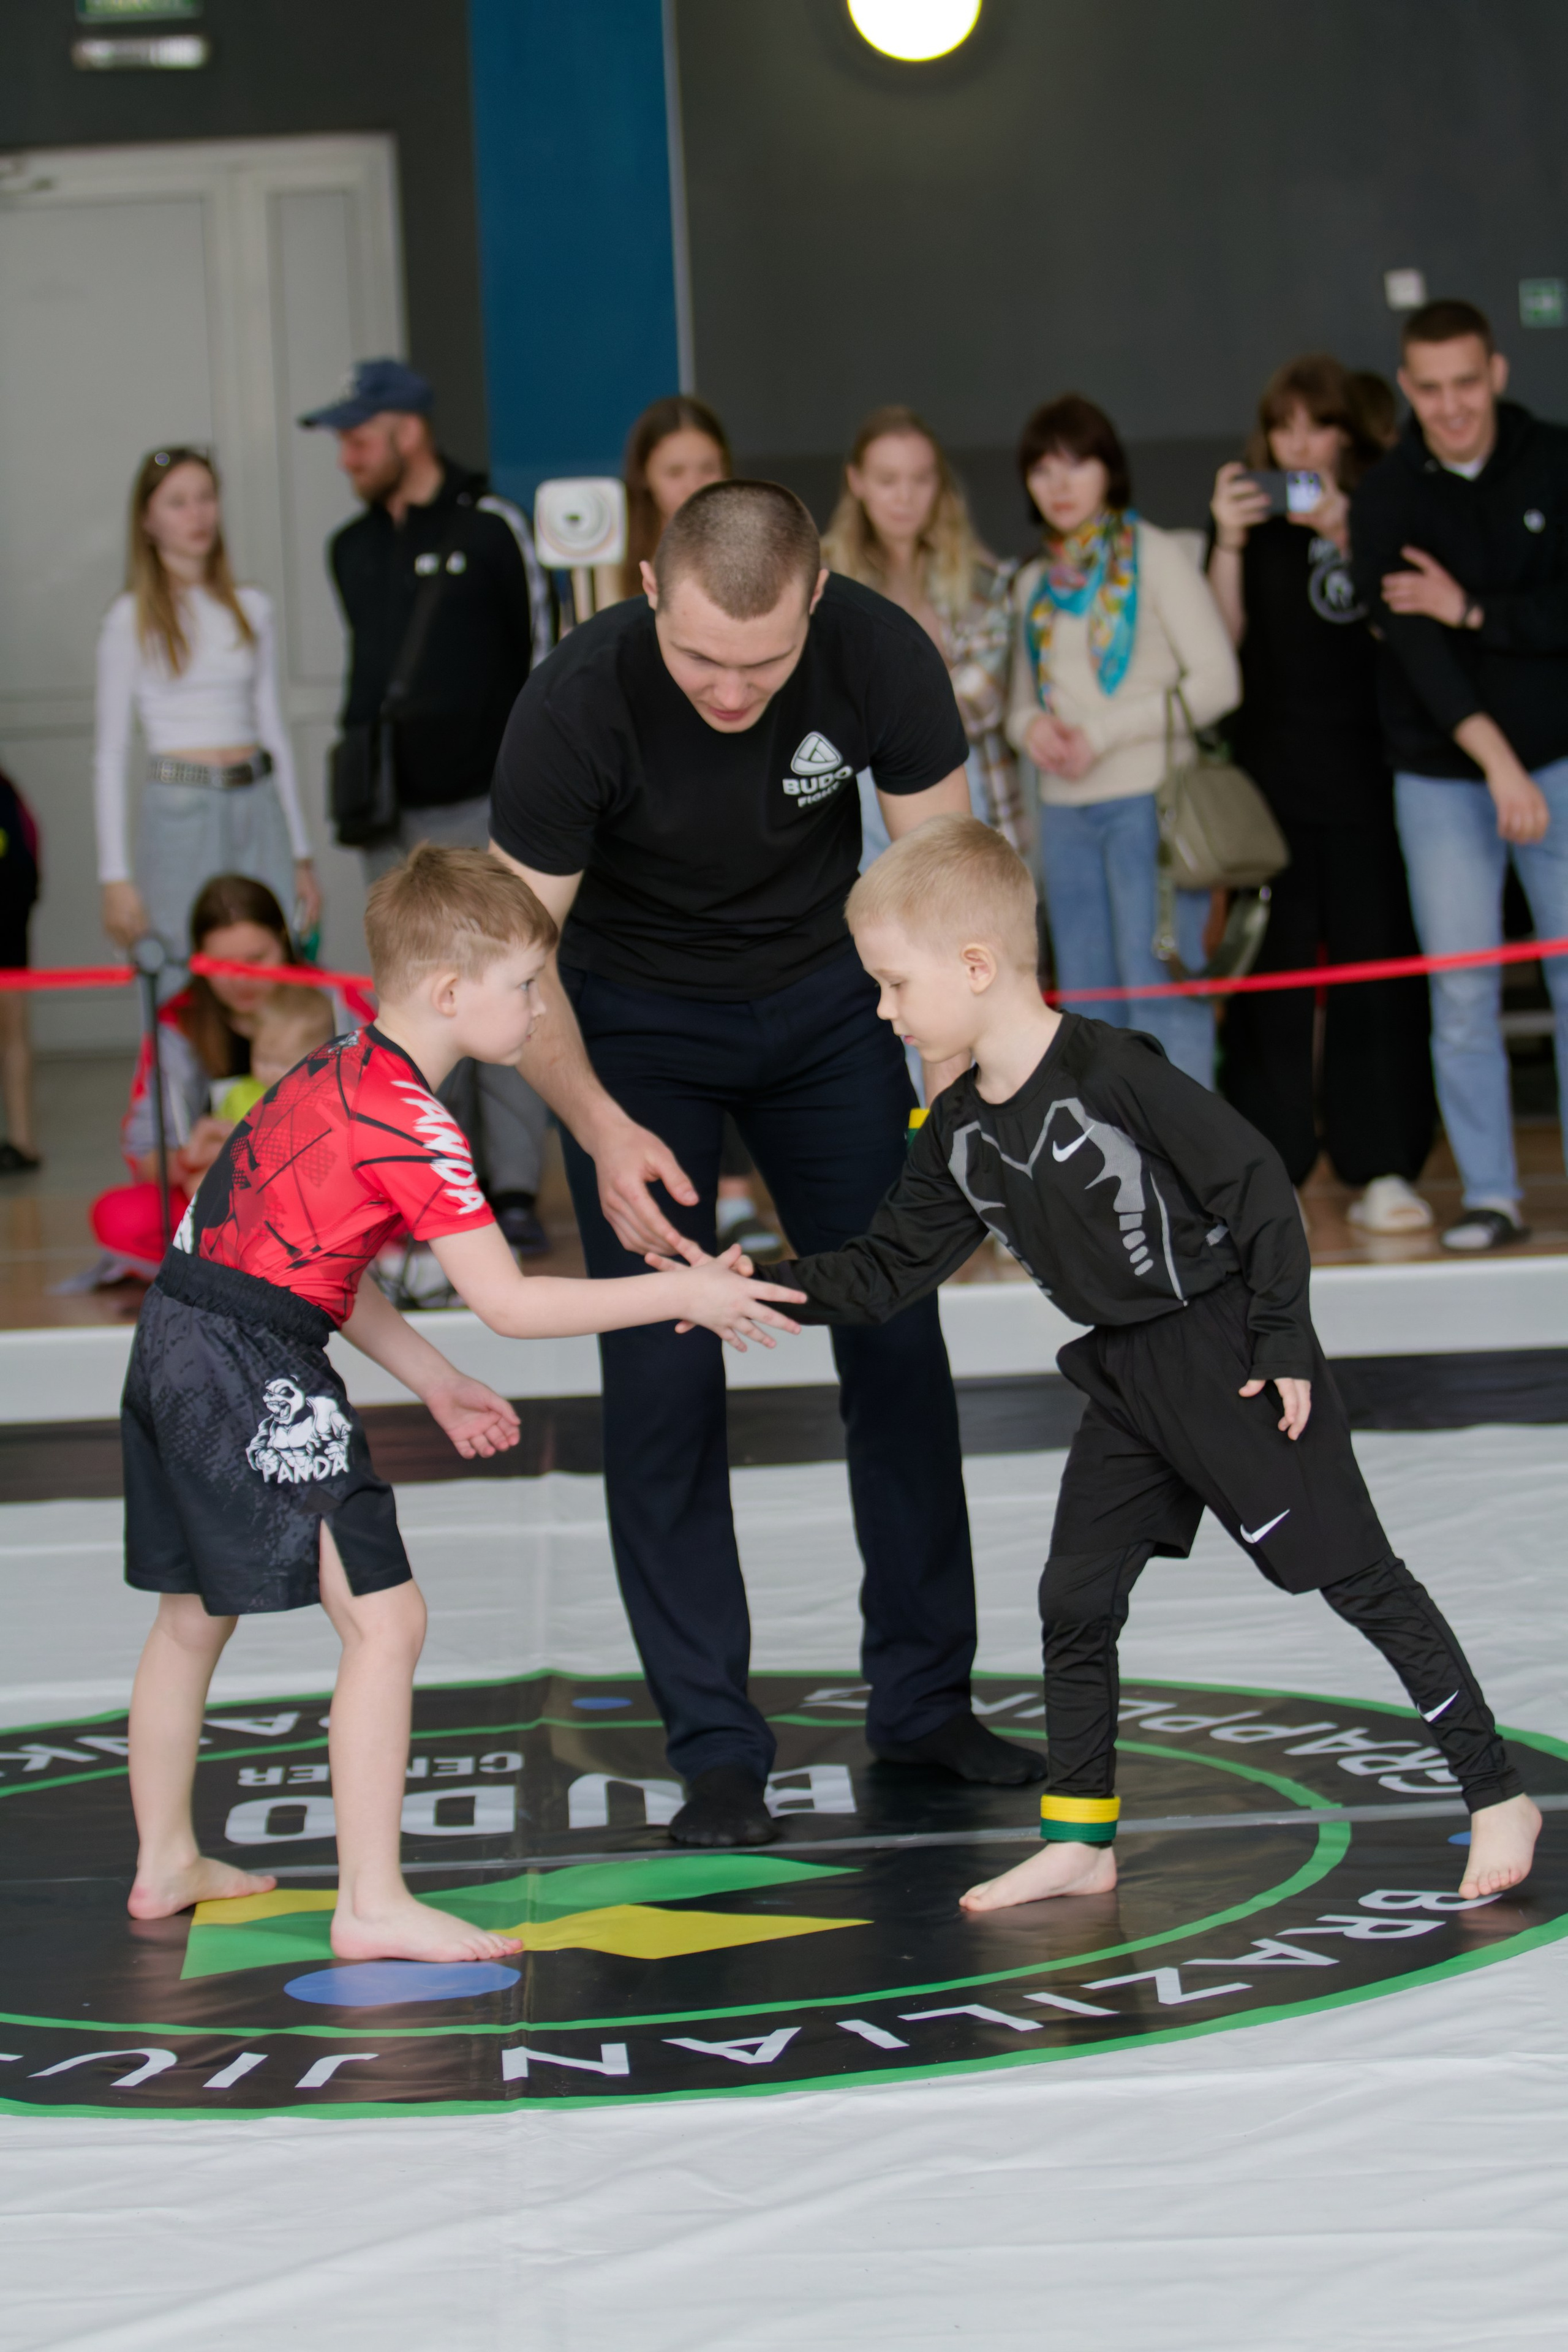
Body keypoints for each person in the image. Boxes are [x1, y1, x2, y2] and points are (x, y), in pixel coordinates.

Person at [714, 815, 1539, 1910]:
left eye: (894, 985)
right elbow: (884, 1270)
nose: (883, 1010)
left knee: (1357, 1579)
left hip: (1227, 1355)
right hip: (1126, 1380)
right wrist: (742, 1286)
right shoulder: (955, 1128)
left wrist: (1284, 1339)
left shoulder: (1114, 1071)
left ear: (975, 967)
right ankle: (1082, 1837)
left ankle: (1496, 1795)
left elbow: (1258, 1188)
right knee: (1076, 1595)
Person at [490, 479, 1044, 1849]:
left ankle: (922, 1699)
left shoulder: (878, 653)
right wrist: (600, 1122)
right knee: (664, 1374)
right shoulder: (573, 704)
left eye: (762, 662)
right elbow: (512, 966)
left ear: (815, 600)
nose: (729, 694)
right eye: (697, 661)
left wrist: (956, 1111)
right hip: (627, 1034)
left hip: (823, 1014)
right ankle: (716, 1745)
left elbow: (946, 892)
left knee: (895, 1339)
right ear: (642, 586)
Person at [121, 846, 802, 1957]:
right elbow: (509, 1304)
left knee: (193, 1616)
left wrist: (431, 1379)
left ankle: (164, 1861)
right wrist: (683, 1287)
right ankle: (372, 1903)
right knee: (387, 1620)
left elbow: (306, 1260)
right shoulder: (415, 1123)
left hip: (177, 1333)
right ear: (451, 994)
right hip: (247, 1359)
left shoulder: (336, 1066)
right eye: (527, 987)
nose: (540, 1009)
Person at [301, 358, 555, 1256]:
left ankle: (514, 1188)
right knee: (411, 1003)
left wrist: (537, 796)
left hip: (485, 804)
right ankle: (429, 1188)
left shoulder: (491, 528)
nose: (346, 457)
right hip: (387, 814)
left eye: (358, 439)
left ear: (409, 429)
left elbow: (541, 658)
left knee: (507, 988)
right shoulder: (351, 548)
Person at [1352, 300, 1568, 1253]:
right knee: (1465, 993)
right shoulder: (1389, 495)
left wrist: (1472, 608)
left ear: (1498, 375)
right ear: (1407, 388)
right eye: (1430, 390)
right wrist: (1497, 764)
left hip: (1559, 763)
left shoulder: (1555, 460)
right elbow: (1414, 652)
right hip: (1443, 782)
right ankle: (1493, 1193)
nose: (1450, 408)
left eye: (1466, 385)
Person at [1207, 356, 1435, 1232]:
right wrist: (1226, 540)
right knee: (1273, 979)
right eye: (1284, 427)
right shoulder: (1249, 527)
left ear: (1349, 435)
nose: (1299, 444)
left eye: (1318, 426)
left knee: (1378, 971)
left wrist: (1351, 535)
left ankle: (1384, 1164)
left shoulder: (1385, 510)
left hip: (1376, 779)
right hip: (1273, 786)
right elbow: (1221, 650)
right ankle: (1271, 1171)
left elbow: (1404, 631)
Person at [1006, 397, 1239, 1087]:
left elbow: (1221, 683)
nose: (1060, 484)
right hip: (1066, 812)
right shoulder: (1033, 583)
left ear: (1109, 471)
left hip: (1152, 806)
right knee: (1085, 1009)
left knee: (1162, 998)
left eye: (1077, 464)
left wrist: (1102, 735)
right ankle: (1113, 1181)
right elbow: (1018, 705)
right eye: (1042, 470)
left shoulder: (1158, 556)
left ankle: (1190, 1177)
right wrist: (1032, 730)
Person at [617, 394, 779, 1261]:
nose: (691, 484)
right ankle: (686, 1199)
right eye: (676, 469)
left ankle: (739, 1191)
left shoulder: (766, 575)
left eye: (706, 469)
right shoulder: (610, 580)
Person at [95, 447, 319, 962]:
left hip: (256, 802)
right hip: (179, 809)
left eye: (205, 498)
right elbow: (109, 754)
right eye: (177, 502)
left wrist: (301, 854)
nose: (196, 515)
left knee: (275, 958)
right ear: (147, 520)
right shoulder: (129, 618)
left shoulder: (252, 607)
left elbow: (272, 729)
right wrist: (115, 878)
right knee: (180, 966)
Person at [824, 404, 1027, 856]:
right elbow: (820, 701)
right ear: (856, 482)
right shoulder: (821, 581)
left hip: (966, 787)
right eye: (888, 480)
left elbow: (982, 700)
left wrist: (875, 703)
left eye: (921, 479)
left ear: (939, 484)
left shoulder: (983, 579)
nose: (905, 497)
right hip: (851, 801)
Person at [90, 874, 300, 1277]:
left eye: (257, 959)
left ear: (284, 942)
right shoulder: (178, 1024)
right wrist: (189, 1158)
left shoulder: (330, 1002)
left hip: (321, 1188)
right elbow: (144, 1146)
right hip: (216, 1196)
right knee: (120, 1218)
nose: (242, 980)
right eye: (223, 966)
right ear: (199, 961)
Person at [211, 983, 336, 1123]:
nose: (269, 1072)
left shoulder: (322, 1105)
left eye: (282, 1064)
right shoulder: (238, 1094)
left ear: (316, 1063)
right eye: (263, 1058)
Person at [0, 766, 40, 1172]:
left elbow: (27, 866)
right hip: (11, 924)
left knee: (13, 1035)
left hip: (8, 930)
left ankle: (23, 1141)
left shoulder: (7, 793)